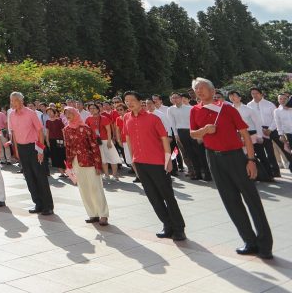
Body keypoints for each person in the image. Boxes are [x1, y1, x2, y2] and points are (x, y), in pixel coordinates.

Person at [190, 78, 273, 259]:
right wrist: (204, 130)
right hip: (213, 157)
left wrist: (250, 160)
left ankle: (265, 244)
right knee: (230, 201)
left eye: (202, 88)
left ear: (213, 90)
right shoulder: (195, 110)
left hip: (236, 156)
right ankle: (249, 241)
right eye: (196, 89)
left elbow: (244, 133)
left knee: (252, 199)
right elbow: (193, 133)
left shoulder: (227, 108)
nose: (199, 91)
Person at [123, 90, 185, 241]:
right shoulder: (126, 118)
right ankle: (167, 225)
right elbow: (129, 140)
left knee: (167, 196)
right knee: (153, 197)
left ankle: (179, 229)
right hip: (140, 162)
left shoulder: (153, 118)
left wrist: (168, 159)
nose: (129, 103)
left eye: (132, 100)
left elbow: (164, 138)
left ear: (140, 101)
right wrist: (133, 161)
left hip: (158, 163)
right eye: (126, 101)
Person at [62, 107, 109, 226]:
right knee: (83, 188)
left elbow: (94, 147)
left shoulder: (85, 128)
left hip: (90, 162)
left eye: (70, 113)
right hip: (75, 162)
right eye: (66, 114)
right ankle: (92, 214)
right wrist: (69, 164)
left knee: (96, 187)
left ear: (76, 114)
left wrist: (98, 165)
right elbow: (67, 147)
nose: (68, 115)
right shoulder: (66, 129)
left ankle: (103, 214)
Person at [9, 91, 53, 216]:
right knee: (29, 177)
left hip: (34, 147)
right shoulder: (11, 115)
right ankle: (38, 203)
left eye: (15, 100)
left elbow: (40, 131)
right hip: (21, 148)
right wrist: (16, 150)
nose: (13, 103)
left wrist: (40, 150)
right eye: (11, 101)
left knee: (40, 176)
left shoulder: (31, 113)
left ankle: (48, 205)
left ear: (21, 101)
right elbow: (14, 134)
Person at [228, 91, 273, 183]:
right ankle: (251, 176)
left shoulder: (248, 109)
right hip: (238, 135)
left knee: (261, 154)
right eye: (230, 96)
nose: (232, 97)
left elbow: (257, 122)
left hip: (252, 133)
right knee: (246, 156)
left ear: (240, 98)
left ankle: (269, 175)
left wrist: (260, 136)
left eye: (234, 96)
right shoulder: (229, 110)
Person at [248, 87, 280, 178]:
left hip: (272, 129)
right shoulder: (249, 105)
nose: (254, 95)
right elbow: (250, 119)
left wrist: (270, 129)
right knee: (264, 152)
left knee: (277, 150)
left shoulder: (269, 104)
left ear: (261, 94)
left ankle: (276, 171)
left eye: (256, 93)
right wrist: (259, 130)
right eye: (252, 93)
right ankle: (269, 172)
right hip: (258, 130)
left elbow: (275, 118)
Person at [44, 107, 66, 174]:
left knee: (62, 154)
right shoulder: (47, 121)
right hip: (52, 140)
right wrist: (47, 141)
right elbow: (47, 132)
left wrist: (65, 140)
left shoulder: (59, 120)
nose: (49, 113)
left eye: (51, 111)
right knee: (55, 155)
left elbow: (63, 131)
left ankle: (66, 170)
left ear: (54, 112)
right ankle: (62, 172)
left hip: (60, 140)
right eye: (48, 112)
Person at [274, 94, 292, 174]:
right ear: (278, 100)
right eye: (280, 99)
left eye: (285, 98)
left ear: (288, 99)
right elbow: (278, 124)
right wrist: (281, 135)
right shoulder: (277, 111)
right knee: (289, 153)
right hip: (288, 135)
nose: (282, 100)